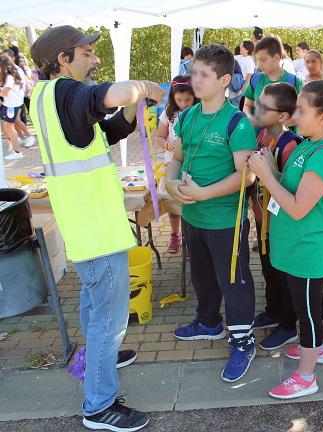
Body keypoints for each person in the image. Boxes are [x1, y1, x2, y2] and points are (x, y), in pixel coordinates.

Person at [29, 25, 165, 431]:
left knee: (94, 305)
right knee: (110, 318)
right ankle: (99, 407)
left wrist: (129, 114)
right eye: (87, 52)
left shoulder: (45, 96)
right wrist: (147, 87)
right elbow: (116, 94)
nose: (96, 59)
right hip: (95, 225)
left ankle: (99, 358)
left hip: (85, 222)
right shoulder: (67, 91)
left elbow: (100, 133)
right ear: (63, 59)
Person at [247, 80, 323, 399]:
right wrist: (272, 168)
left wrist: (268, 176)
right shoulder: (308, 146)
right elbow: (295, 189)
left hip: (309, 246)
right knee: (313, 301)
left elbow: (298, 208)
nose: (295, 114)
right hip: (299, 245)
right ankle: (318, 348)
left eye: (302, 109)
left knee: (307, 312)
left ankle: (306, 377)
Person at [165, 44, 258, 383]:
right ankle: (208, 323)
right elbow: (177, 157)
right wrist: (169, 182)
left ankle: (243, 341)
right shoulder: (188, 115)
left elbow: (246, 176)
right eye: (193, 72)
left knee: (233, 281)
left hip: (225, 221)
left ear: (223, 80)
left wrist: (204, 192)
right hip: (193, 217)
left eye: (204, 74)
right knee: (202, 277)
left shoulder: (237, 123)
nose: (196, 80)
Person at [248, 83, 304, 350]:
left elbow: (291, 191)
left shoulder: (289, 145)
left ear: (283, 116)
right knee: (269, 271)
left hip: (281, 225)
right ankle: (273, 311)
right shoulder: (259, 135)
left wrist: (269, 171)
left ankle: (287, 324)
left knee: (283, 275)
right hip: (263, 222)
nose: (257, 108)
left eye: (264, 106)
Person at [155, 75, 198, 254]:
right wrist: (167, 145)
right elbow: (159, 137)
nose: (183, 103)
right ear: (173, 97)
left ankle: (191, 240)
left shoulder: (199, 111)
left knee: (190, 204)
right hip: (171, 163)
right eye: (179, 100)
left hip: (192, 165)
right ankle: (175, 235)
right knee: (173, 204)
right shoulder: (168, 113)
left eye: (187, 99)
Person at [242, 36, 302, 120]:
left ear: (276, 58)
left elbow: (302, 113)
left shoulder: (294, 82)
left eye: (263, 60)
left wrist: (282, 125)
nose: (259, 65)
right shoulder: (256, 79)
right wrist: (252, 120)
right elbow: (247, 105)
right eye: (257, 60)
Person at [1, 56, 26, 160]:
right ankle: (15, 145)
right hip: (10, 105)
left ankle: (17, 151)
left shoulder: (9, 78)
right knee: (7, 128)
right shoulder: (9, 77)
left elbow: (4, 92)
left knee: (9, 129)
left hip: (11, 106)